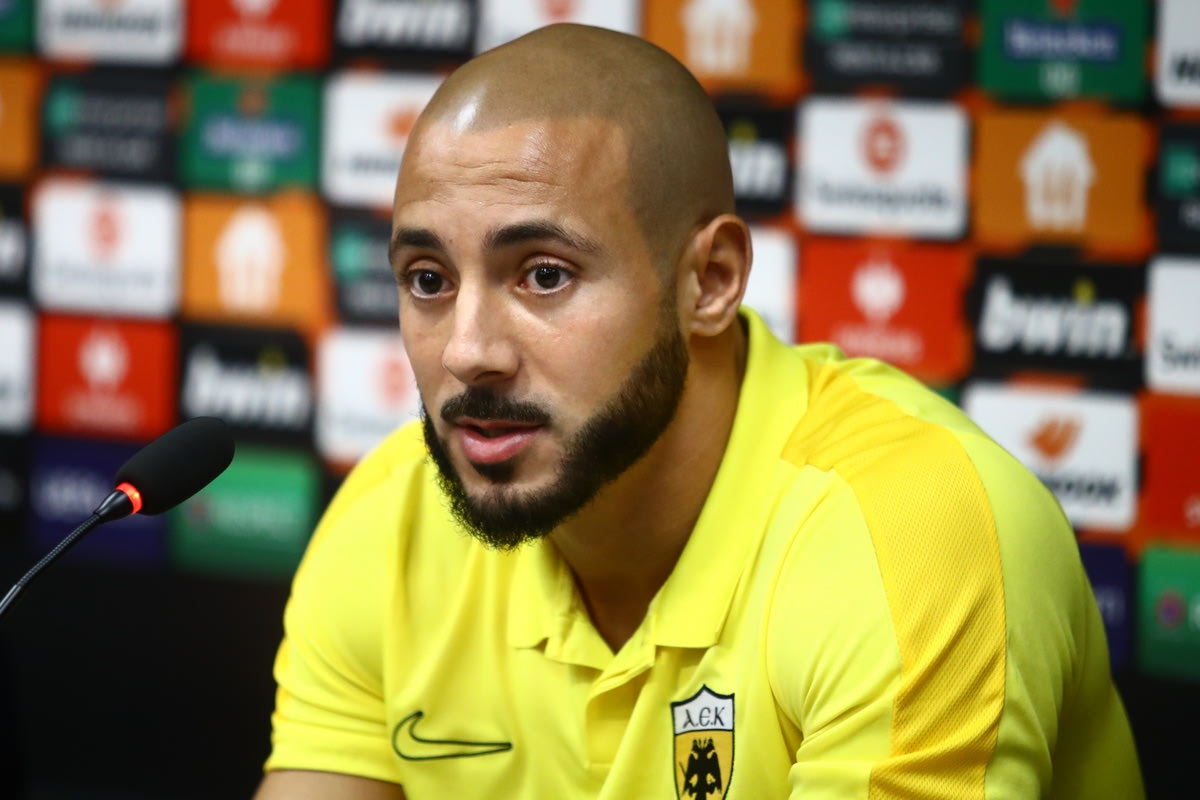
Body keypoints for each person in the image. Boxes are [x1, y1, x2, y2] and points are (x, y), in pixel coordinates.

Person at [255, 23, 1143, 800]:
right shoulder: (390, 522)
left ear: (710, 282)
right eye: (428, 280)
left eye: (544, 275)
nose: (466, 350)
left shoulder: (910, 535)